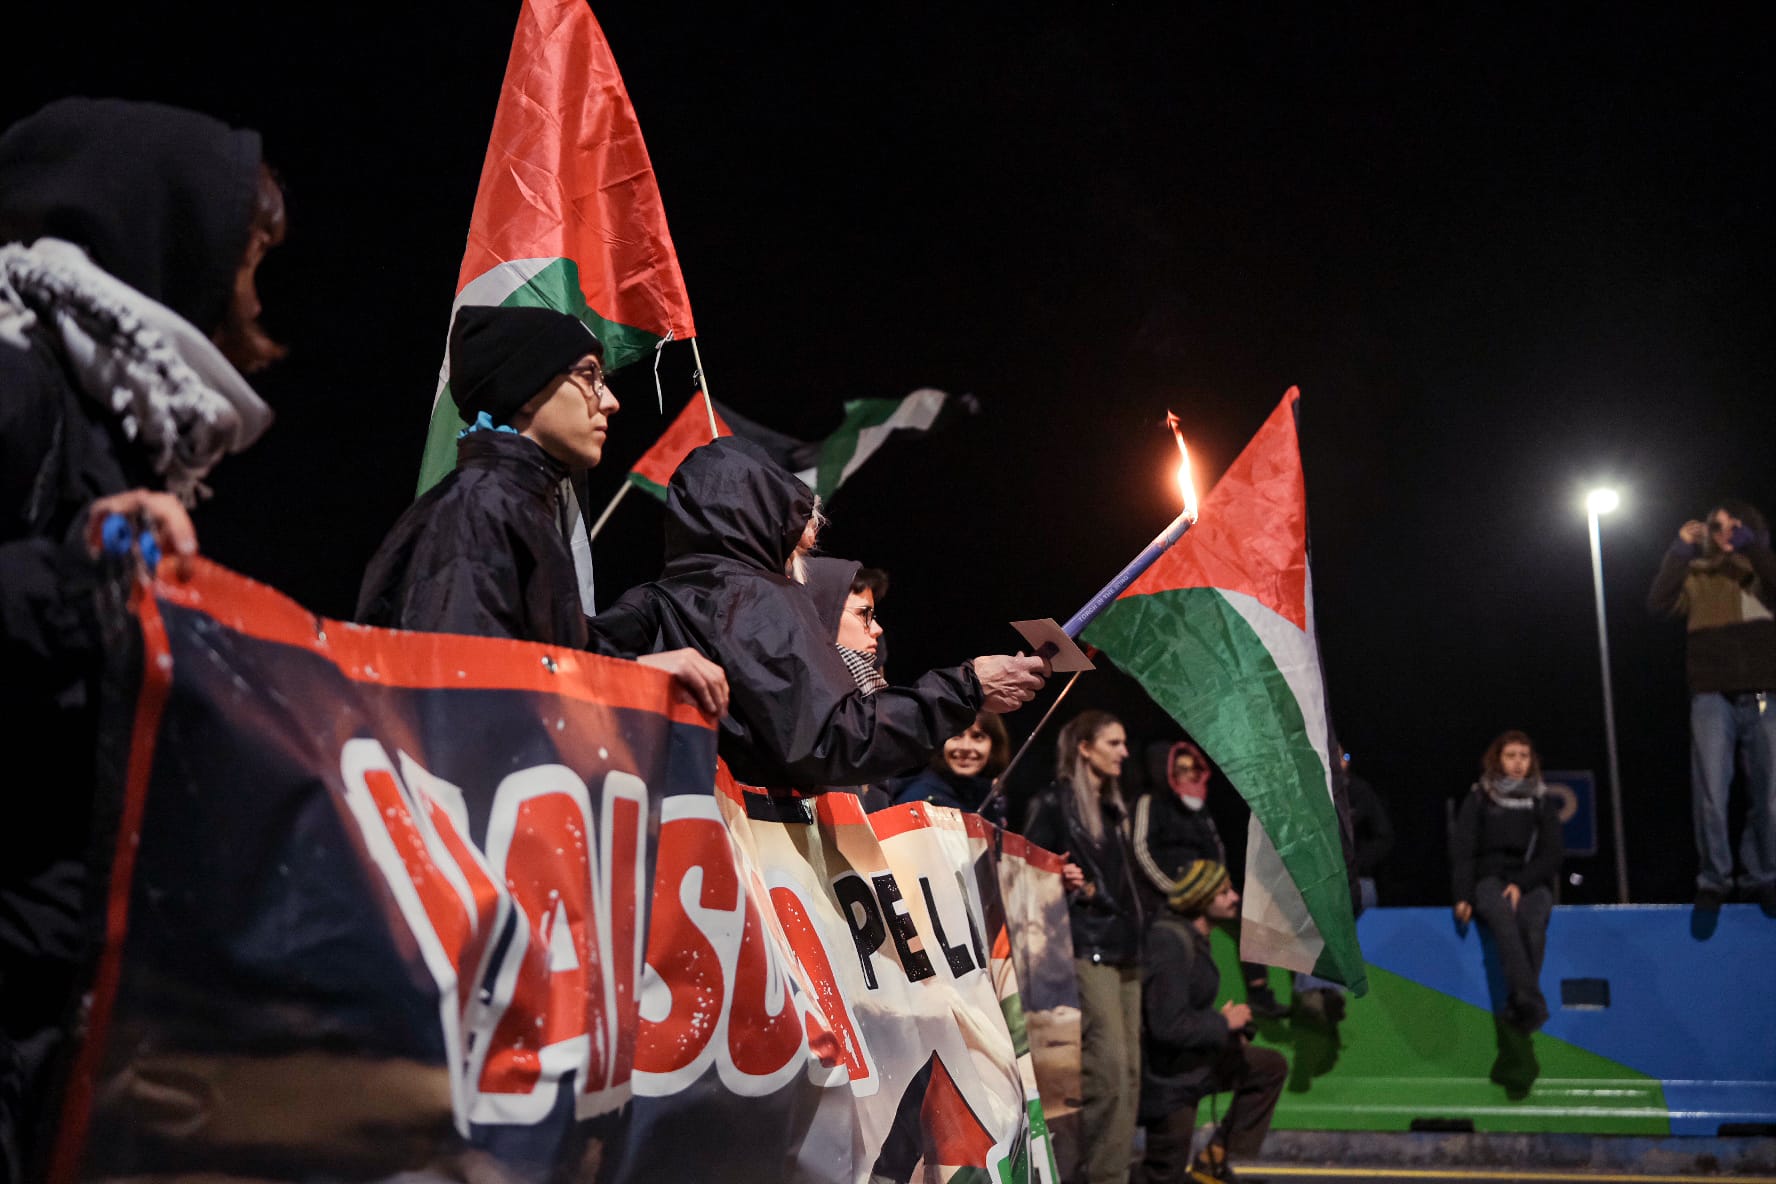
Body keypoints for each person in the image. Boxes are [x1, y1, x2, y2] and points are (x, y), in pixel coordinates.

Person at [0, 97, 290, 1176]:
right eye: (248, 262)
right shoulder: (17, 381)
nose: (253, 299)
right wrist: (87, 579)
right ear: (169, 242)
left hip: (55, 995)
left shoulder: (116, 424)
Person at [590, 436, 1047, 789]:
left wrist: (639, 669)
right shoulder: (760, 598)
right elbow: (834, 740)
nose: (800, 561)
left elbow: (568, 666)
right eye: (796, 539)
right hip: (751, 857)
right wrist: (967, 686)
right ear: (763, 518)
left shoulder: (652, 597)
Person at [355, 305, 727, 715]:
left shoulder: (516, 506)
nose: (611, 402)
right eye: (589, 375)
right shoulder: (477, 509)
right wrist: (633, 673)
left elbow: (552, 658)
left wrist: (642, 659)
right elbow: (467, 685)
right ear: (528, 388)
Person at [1021, 711, 1143, 1184]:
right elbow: (1024, 873)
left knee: (1128, 1078)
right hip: (1084, 944)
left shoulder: (1113, 810)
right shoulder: (1053, 804)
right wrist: (1060, 876)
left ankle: (1114, 1174)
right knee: (1106, 1075)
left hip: (1124, 949)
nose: (1124, 753)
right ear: (1084, 748)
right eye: (1114, 743)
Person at [1647, 501, 1776, 914]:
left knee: (1769, 794)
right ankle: (1714, 880)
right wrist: (1679, 551)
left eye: (1732, 526)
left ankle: (1764, 877)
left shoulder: (1760, 574)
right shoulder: (1698, 576)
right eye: (1717, 527)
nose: (1724, 534)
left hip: (1762, 694)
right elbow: (1658, 601)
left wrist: (1751, 546)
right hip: (1711, 697)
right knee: (1711, 794)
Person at [1140, 860, 1288, 1184]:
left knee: (1267, 1067)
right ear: (1201, 897)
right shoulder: (1170, 942)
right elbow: (1167, 1026)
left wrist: (1225, 1027)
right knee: (1163, 1174)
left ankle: (1215, 1157)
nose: (1235, 897)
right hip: (1169, 1078)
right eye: (1224, 892)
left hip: (1193, 1063)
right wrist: (1222, 1024)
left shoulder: (1194, 938)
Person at [1450, 730, 1563, 1033]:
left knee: (1533, 925)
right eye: (1511, 755)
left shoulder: (1540, 801)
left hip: (1531, 880)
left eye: (1524, 756)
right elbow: (1464, 851)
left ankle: (1520, 1005)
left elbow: (1553, 854)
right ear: (1498, 759)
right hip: (1489, 879)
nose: (1517, 762)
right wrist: (1462, 896)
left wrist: (1521, 884)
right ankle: (1530, 1004)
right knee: (1503, 920)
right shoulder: (1480, 797)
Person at [1293, 749, 1393, 1025]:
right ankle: (1324, 991)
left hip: (1357, 877)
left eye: (1343, 756)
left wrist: (1354, 863)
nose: (1338, 762)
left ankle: (1317, 991)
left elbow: (1384, 837)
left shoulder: (1360, 792)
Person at [890, 712, 1011, 819]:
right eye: (956, 735)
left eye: (977, 737)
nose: (965, 747)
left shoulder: (993, 799)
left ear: (994, 746)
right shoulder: (920, 799)